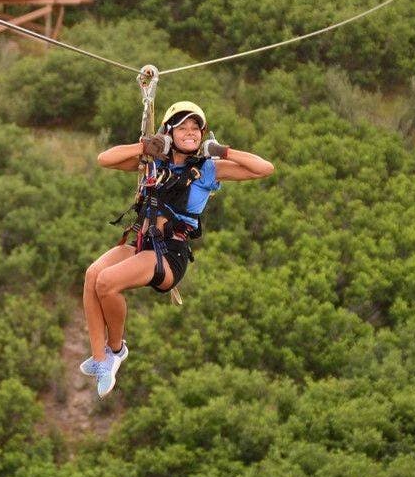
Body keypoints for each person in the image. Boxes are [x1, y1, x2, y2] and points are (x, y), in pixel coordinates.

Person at [81, 101, 274, 397]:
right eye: (182, 127)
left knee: (107, 283)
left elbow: (264, 168)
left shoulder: (207, 169)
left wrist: (221, 151)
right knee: (93, 275)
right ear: (169, 132)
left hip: (170, 254)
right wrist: (146, 146)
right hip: (143, 244)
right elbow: (105, 159)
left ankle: (116, 351)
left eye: (196, 128)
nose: (191, 132)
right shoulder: (154, 162)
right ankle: (99, 360)